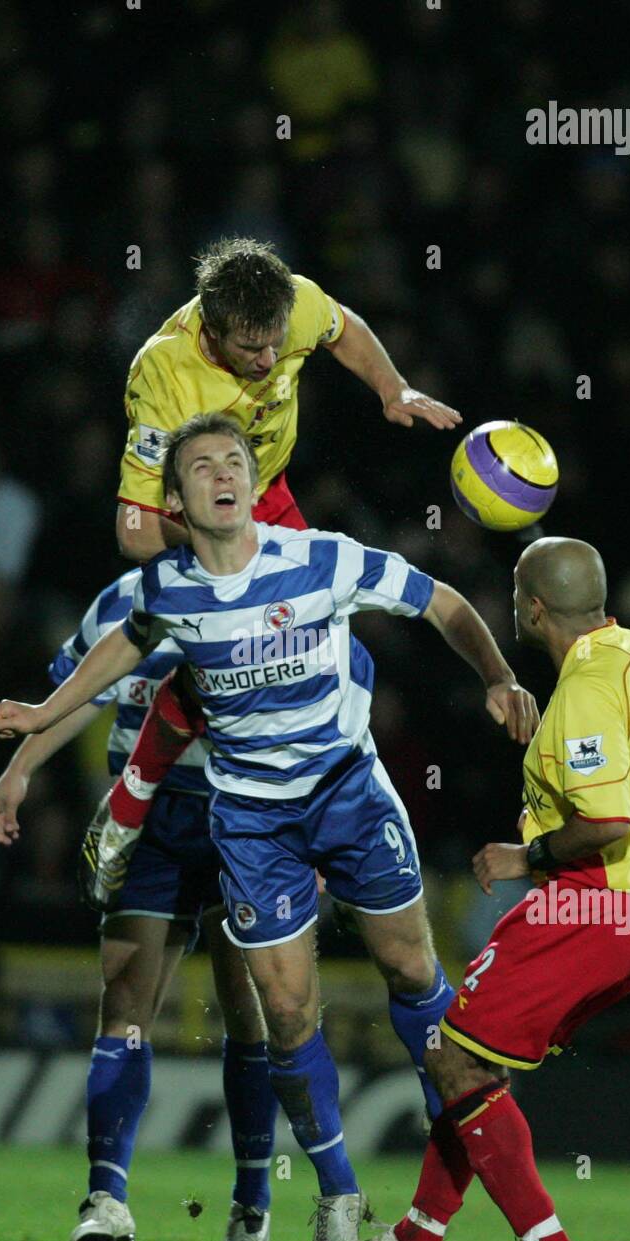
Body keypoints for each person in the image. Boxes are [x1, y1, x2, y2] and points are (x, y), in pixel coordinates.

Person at [0, 412, 538, 1241]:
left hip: (349, 794)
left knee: (412, 975)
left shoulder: (318, 558)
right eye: (202, 465)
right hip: (249, 819)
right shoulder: (163, 590)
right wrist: (40, 719)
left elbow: (444, 601)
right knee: (282, 1013)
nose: (223, 474)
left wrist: (498, 677)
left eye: (235, 460)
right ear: (176, 499)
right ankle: (338, 1199)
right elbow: (119, 654)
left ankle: (458, 1161)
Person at [324, 537, 630, 1241]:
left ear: (530, 607)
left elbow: (604, 821)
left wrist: (517, 860)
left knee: (454, 1061)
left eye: (513, 593)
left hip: (592, 904)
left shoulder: (586, 687)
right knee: (476, 1064)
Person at [100, 236, 462, 871]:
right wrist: (228, 551)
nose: (271, 358)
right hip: (196, 523)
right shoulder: (163, 371)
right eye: (251, 348)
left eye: (276, 343)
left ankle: (329, 828)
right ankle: (130, 806)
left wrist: (392, 387)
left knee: (337, 661)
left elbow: (342, 328)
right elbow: (135, 531)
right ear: (211, 332)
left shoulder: (287, 303)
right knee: (232, 667)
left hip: (267, 497)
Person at [0, 571, 279, 1241]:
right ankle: (105, 1196)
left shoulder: (265, 585)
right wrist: (19, 769)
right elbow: (84, 694)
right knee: (124, 1005)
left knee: (248, 1010)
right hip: (145, 818)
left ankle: (251, 1199)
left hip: (240, 815)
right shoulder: (120, 596)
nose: (134, 514)